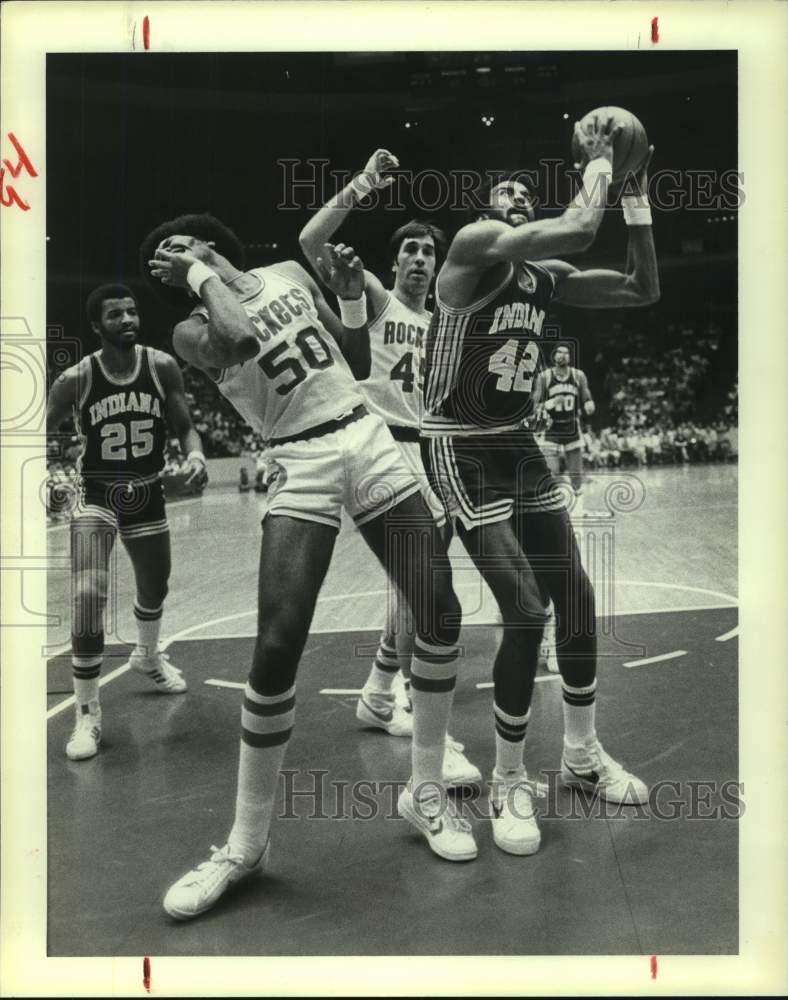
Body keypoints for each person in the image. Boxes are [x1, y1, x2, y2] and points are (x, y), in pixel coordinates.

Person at [140, 213, 472, 920]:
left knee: (439, 607)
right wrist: (200, 271)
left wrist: (351, 296)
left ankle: (425, 791)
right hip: (299, 456)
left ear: (206, 240)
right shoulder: (190, 331)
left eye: (173, 249)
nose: (164, 263)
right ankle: (246, 844)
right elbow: (241, 337)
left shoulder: (289, 274)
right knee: (277, 643)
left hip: (364, 430)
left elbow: (353, 360)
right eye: (163, 262)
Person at [421, 116, 659, 856]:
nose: (515, 199)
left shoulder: (543, 278)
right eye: (504, 194)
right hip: (458, 444)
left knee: (576, 594)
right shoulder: (471, 247)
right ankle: (509, 778)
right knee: (524, 610)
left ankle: (582, 756)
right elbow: (580, 230)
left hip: (517, 443)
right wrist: (601, 163)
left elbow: (640, 289)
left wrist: (638, 192)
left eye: (526, 192)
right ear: (490, 211)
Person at [298, 148, 479, 787]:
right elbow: (311, 238)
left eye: (429, 253)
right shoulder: (373, 298)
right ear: (395, 260)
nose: (420, 261)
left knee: (411, 586)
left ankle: (379, 693)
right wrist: (366, 181)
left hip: (431, 449)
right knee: (423, 584)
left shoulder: (444, 321)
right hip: (380, 442)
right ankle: (410, 702)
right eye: (410, 252)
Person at [46, 284, 209, 761]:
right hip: (96, 494)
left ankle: (147, 655)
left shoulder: (160, 366)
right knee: (87, 594)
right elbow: (41, 429)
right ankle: (87, 712)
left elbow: (185, 427)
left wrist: (196, 455)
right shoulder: (76, 378)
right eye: (115, 314)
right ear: (97, 326)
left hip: (148, 492)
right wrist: (50, 470)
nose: (127, 319)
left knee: (155, 587)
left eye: (132, 311)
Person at [532, 343, 595, 517]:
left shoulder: (578, 375)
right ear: (553, 357)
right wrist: (551, 403)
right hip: (551, 428)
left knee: (576, 474)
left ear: (569, 357)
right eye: (559, 352)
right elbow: (533, 405)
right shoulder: (544, 377)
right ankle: (554, 510)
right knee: (550, 472)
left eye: (566, 353)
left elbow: (586, 396)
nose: (563, 355)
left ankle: (580, 510)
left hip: (572, 427)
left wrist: (589, 404)